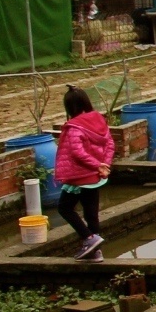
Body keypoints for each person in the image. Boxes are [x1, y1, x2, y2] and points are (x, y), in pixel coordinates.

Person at [53, 85, 113, 259]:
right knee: (91, 213)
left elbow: (77, 152)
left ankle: (89, 238)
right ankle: (96, 253)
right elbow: (110, 144)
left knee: (64, 208)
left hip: (79, 176)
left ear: (69, 107)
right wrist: (104, 165)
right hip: (96, 177)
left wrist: (96, 165)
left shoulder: (74, 127)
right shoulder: (99, 121)